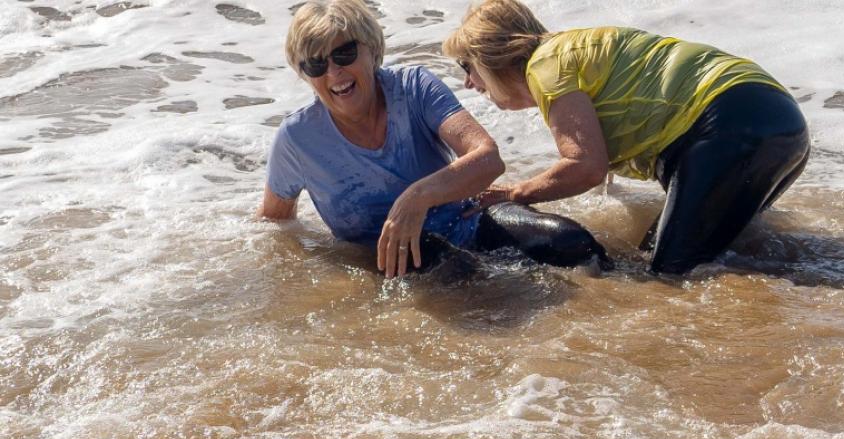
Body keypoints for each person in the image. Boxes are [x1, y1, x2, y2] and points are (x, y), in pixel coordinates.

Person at [440, 0, 810, 275]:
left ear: (493, 56)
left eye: (466, 67)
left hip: (726, 122)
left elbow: (586, 167)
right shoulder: (577, 47)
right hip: (779, 116)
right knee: (731, 250)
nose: (469, 83)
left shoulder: (545, 68)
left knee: (669, 275)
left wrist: (513, 193)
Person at [259, 0, 606, 277]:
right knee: (460, 274)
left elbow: (487, 158)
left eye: (345, 54)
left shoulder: (413, 87)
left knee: (573, 243)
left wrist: (416, 198)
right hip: (393, 260)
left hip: (467, 222)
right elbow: (276, 225)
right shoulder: (297, 139)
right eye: (315, 65)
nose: (334, 72)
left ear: (371, 50)